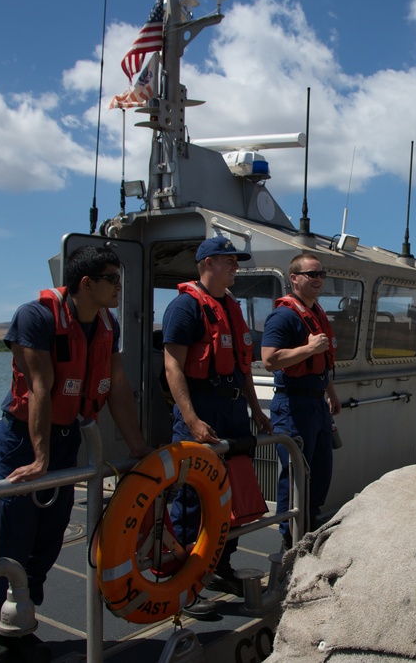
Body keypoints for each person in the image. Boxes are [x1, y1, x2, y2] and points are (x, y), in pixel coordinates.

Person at [0, 245, 150, 661]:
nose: (119, 287)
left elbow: (115, 386)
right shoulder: (36, 317)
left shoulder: (106, 323)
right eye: (112, 279)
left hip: (65, 440)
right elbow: (41, 387)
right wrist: (40, 459)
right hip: (23, 440)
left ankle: (20, 623)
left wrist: (137, 444)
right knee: (11, 535)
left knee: (49, 535)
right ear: (86, 283)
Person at [162, 236, 272, 612]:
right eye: (230, 261)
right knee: (193, 498)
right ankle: (184, 581)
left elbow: (242, 366)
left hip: (233, 409)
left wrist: (256, 411)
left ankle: (219, 564)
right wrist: (191, 419)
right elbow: (173, 364)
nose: (236, 267)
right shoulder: (184, 308)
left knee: (231, 494)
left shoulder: (231, 308)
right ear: (208, 263)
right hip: (201, 406)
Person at [261, 254, 341, 549]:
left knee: (320, 473)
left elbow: (322, 360)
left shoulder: (316, 312)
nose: (318, 279)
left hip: (317, 404)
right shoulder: (283, 316)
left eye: (321, 273)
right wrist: (307, 349)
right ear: (294, 278)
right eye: (311, 274)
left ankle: (309, 529)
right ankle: (289, 540)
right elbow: (269, 359)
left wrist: (331, 394)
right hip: (293, 406)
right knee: (296, 475)